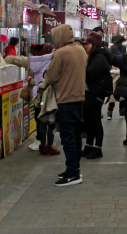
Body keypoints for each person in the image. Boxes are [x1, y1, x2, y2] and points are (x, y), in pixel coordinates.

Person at [44, 24, 87, 186]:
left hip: (65, 99)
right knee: (75, 136)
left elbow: (51, 77)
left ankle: (73, 173)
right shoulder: (81, 50)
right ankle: (74, 168)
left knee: (67, 137)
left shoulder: (60, 53)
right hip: (79, 98)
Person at [81, 32, 113, 160]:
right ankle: (89, 145)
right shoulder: (94, 55)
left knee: (95, 121)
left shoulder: (99, 57)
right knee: (89, 120)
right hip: (91, 92)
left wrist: (80, 69)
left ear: (94, 44)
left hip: (96, 93)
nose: (85, 46)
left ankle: (98, 148)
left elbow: (90, 73)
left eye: (87, 44)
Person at [30, 44, 59, 156]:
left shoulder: (35, 61)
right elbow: (52, 77)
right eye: (53, 50)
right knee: (50, 119)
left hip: (38, 92)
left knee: (41, 119)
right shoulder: (52, 61)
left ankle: (42, 145)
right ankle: (50, 146)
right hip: (49, 92)